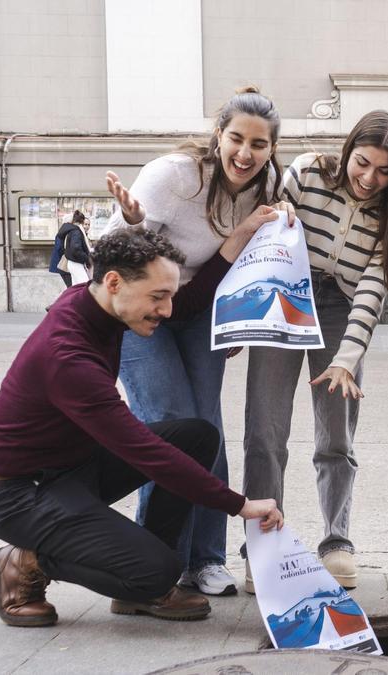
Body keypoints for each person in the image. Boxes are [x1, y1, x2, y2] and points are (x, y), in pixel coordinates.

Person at [0, 225, 284, 628]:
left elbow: (184, 306)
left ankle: (147, 586)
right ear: (115, 282)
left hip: (71, 471)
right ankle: (24, 561)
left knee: (196, 436)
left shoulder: (95, 303)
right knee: (157, 569)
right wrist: (240, 505)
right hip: (17, 494)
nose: (167, 310)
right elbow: (142, 450)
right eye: (158, 297)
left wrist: (234, 246)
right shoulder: (68, 356)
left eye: (168, 295)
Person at [104, 86, 292, 597]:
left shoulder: (266, 185)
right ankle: (157, 562)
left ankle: (205, 559)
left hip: (200, 311)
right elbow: (114, 253)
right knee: (171, 425)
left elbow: (239, 263)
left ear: (272, 149)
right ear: (218, 135)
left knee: (206, 427)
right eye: (236, 139)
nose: (245, 154)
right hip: (144, 312)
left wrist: (236, 319)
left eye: (259, 144)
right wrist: (135, 220)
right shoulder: (175, 176)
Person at [242, 110, 388, 592]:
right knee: (265, 430)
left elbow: (372, 289)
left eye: (384, 172)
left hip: (342, 309)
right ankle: (264, 543)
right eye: (362, 163)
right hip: (284, 297)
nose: (369, 179)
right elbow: (264, 238)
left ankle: (336, 540)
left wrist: (347, 356)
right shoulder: (307, 172)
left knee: (336, 434)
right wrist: (242, 320)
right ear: (348, 150)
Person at [52, 210, 90, 287]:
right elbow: (75, 249)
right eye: (85, 224)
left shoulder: (69, 231)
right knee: (84, 287)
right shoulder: (76, 232)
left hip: (71, 262)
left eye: (88, 224)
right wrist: (88, 258)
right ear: (81, 222)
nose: (86, 226)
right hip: (73, 262)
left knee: (75, 287)